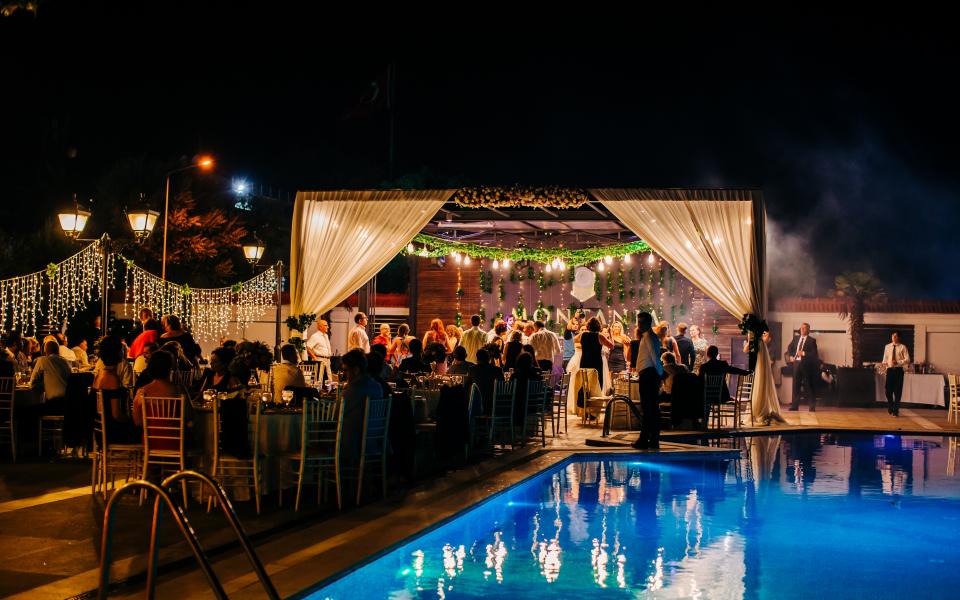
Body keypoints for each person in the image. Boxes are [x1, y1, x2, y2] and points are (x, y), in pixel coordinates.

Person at [340, 349, 384, 474]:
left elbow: (336, 415)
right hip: (374, 440)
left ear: (356, 370)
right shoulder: (377, 386)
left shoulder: (352, 390)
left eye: (345, 370)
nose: (344, 374)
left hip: (353, 443)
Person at [92, 336, 135, 443]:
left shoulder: (99, 376)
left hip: (100, 431)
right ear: (118, 353)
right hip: (112, 433)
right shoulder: (113, 379)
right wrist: (131, 420)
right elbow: (116, 415)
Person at [632, 312, 664, 450]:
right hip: (647, 374)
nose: (639, 325)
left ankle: (648, 439)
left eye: (642, 322)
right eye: (638, 322)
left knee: (649, 408)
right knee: (649, 408)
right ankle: (649, 439)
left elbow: (655, 358)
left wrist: (660, 375)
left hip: (649, 375)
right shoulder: (646, 337)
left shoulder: (650, 337)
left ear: (648, 323)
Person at [785, 323, 820, 411]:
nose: (802, 329)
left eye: (804, 328)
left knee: (808, 386)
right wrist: (791, 356)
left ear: (808, 330)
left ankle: (812, 406)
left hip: (806, 366)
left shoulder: (812, 340)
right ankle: (794, 406)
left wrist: (804, 353)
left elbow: (814, 354)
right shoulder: (796, 338)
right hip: (796, 364)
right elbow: (789, 348)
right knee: (796, 385)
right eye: (801, 328)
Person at [29, 340, 72, 412]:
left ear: (45, 351)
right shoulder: (65, 362)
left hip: (55, 404)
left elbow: (32, 383)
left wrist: (44, 384)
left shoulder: (42, 360)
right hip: (69, 404)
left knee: (26, 411)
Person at [574, 317, 614, 391]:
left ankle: (585, 400)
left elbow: (574, 340)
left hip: (585, 362)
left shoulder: (583, 335)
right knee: (597, 383)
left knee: (585, 382)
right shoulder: (600, 336)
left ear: (588, 326)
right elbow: (611, 346)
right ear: (598, 326)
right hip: (596, 362)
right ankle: (596, 400)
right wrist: (610, 335)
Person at [467, 348, 504, 415]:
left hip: (477, 404)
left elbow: (466, 386)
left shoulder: (472, 370)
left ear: (477, 359)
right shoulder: (497, 370)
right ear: (488, 358)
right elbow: (503, 387)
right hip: (493, 404)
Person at [882, 331, 910, 416]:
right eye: (892, 336)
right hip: (890, 370)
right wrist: (885, 366)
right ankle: (890, 405)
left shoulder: (903, 347)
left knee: (898, 391)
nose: (893, 337)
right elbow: (885, 359)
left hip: (898, 371)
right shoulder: (887, 347)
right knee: (888, 391)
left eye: (895, 336)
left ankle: (896, 410)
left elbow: (907, 359)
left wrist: (898, 362)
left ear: (899, 337)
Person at [306, 319, 333, 383]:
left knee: (329, 378)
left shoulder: (326, 335)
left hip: (327, 359)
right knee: (318, 378)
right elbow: (307, 347)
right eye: (326, 325)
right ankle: (317, 391)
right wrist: (314, 357)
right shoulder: (315, 336)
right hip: (319, 358)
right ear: (320, 327)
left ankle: (330, 391)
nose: (328, 327)